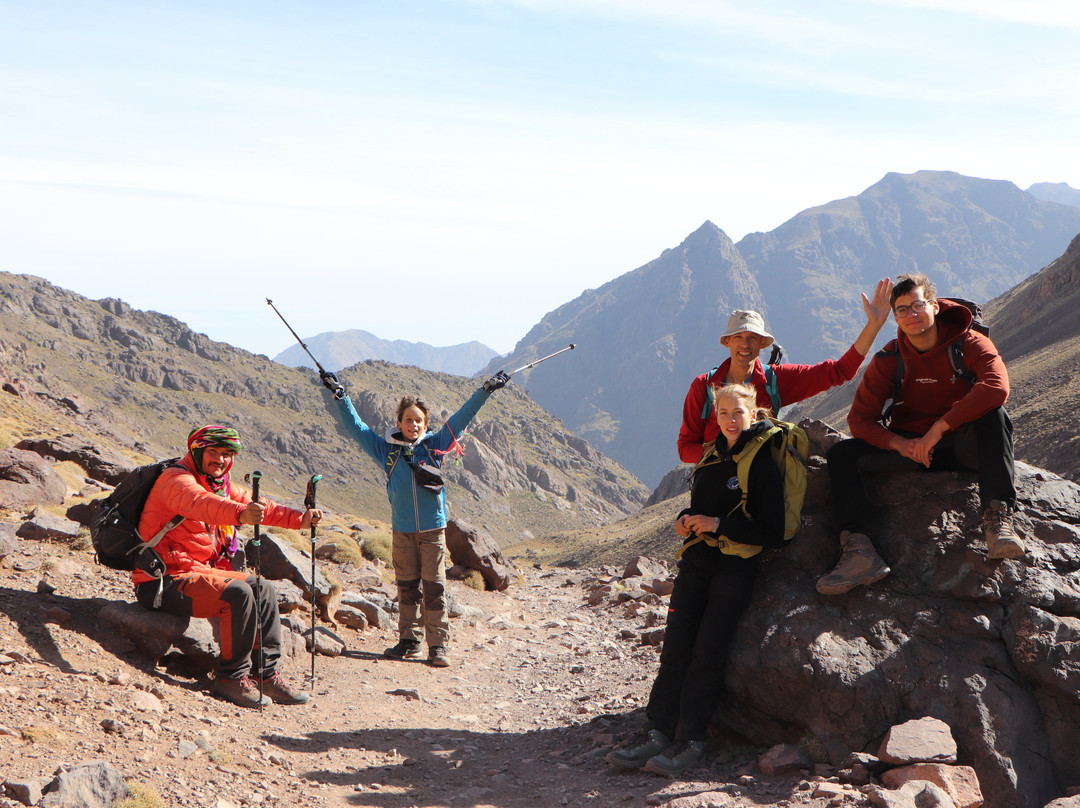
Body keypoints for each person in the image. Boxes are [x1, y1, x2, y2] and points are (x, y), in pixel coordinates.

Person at [607, 383, 788, 776]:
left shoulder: (762, 463)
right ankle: (657, 731)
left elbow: (774, 532)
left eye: (738, 412)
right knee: (675, 648)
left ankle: (691, 740)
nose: (730, 420)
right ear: (715, 416)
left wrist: (717, 524)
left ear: (753, 412)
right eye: (723, 413)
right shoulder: (711, 455)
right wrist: (685, 520)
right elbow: (701, 506)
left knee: (707, 651)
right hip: (696, 563)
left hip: (734, 568)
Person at [817, 273, 1022, 596]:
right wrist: (900, 443)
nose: (911, 315)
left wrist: (939, 428)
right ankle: (859, 550)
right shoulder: (890, 358)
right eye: (902, 310)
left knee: (994, 415)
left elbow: (997, 388)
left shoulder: (968, 343)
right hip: (911, 451)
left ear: (935, 306)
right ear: (895, 317)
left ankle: (998, 520)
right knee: (843, 454)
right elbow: (859, 420)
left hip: (960, 447)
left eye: (917, 305)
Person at [321, 369, 510, 669]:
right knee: (407, 587)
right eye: (408, 419)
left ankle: (438, 646)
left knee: (434, 587)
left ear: (425, 424)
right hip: (403, 531)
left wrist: (485, 391)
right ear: (398, 423)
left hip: (433, 530)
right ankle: (409, 642)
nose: (413, 424)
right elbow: (357, 428)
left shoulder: (435, 446)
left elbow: (461, 418)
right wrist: (341, 397)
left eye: (418, 420)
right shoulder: (386, 451)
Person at [136, 425, 322, 709]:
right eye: (213, 452)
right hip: (161, 580)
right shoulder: (176, 480)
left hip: (196, 571)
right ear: (196, 452)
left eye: (226, 454)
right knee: (238, 594)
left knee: (262, 589)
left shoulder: (219, 485)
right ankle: (230, 678)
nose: (220, 459)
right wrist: (240, 514)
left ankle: (266, 675)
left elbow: (261, 506)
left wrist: (301, 520)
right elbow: (201, 503)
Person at [677, 280, 894, 464]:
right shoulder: (703, 386)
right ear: (727, 342)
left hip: (765, 481)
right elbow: (685, 447)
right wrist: (721, 454)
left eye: (752, 338)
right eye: (738, 337)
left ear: (762, 344)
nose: (745, 344)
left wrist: (874, 324)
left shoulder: (775, 381)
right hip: (716, 480)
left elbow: (840, 371)